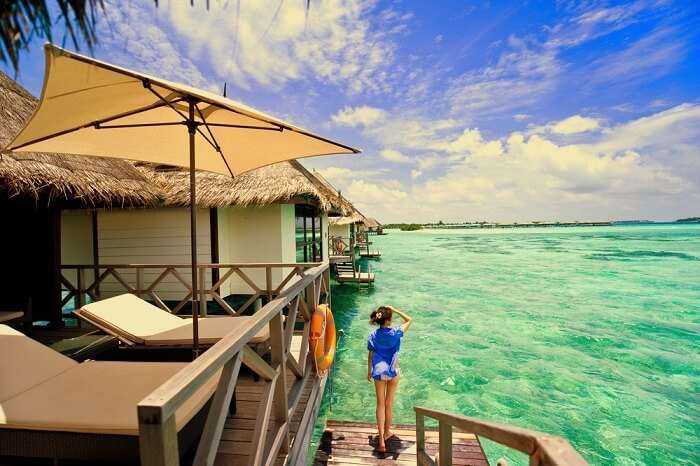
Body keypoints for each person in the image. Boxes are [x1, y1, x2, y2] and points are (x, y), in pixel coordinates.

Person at [367, 305, 412, 453]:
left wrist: (369, 371)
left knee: (380, 404)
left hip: (379, 372)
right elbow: (409, 319)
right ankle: (387, 432)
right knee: (389, 404)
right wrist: (395, 309)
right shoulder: (395, 333)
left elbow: (371, 354)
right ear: (389, 320)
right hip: (393, 372)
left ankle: (381, 441)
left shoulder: (373, 335)